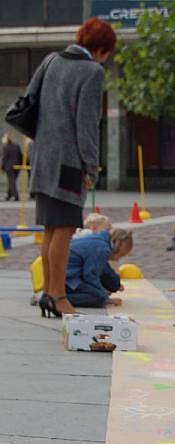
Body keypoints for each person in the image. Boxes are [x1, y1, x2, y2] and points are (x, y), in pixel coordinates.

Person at [28, 17, 116, 318]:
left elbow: (30, 101)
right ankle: (57, 295)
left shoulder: (51, 60)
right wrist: (92, 167)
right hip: (69, 162)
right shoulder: (92, 71)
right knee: (64, 230)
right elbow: (87, 125)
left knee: (52, 229)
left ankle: (47, 293)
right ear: (102, 49)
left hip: (42, 157)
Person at [64, 228, 132, 309]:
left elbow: (104, 268)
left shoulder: (100, 239)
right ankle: (60, 298)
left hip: (68, 274)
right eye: (121, 255)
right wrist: (105, 296)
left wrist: (115, 284)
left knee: (111, 281)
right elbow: (90, 275)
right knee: (99, 298)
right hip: (68, 278)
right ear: (116, 246)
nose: (118, 259)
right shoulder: (101, 249)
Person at [1, 133, 22, 201]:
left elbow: (4, 158)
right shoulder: (17, 146)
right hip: (17, 167)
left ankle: (16, 196)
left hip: (9, 167)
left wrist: (2, 168)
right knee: (12, 181)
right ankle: (9, 195)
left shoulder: (6, 147)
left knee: (11, 182)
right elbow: (21, 156)